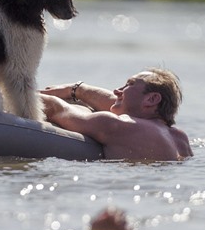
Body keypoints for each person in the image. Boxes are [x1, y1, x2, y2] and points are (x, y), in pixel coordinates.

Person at [40, 67, 193, 161]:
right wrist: (77, 90)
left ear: (152, 98)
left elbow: (56, 109)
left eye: (129, 84)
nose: (117, 90)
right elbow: (117, 104)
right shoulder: (180, 139)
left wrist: (22, 91)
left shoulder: (117, 125)